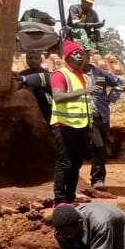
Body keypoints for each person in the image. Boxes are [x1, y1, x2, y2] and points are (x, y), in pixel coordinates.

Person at [49, 39, 98, 206]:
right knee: (65, 163)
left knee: (76, 164)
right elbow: (58, 97)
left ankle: (70, 197)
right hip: (64, 125)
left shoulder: (84, 77)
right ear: (67, 57)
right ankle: (60, 199)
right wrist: (85, 90)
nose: (80, 56)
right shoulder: (60, 74)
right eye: (76, 53)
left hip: (82, 126)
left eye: (82, 54)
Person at [83, 57, 125, 189]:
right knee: (95, 146)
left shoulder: (100, 73)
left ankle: (98, 180)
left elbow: (119, 83)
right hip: (81, 117)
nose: (81, 57)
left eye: (85, 54)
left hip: (101, 116)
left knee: (102, 149)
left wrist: (111, 98)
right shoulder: (72, 75)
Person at [16, 50, 54, 124]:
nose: (33, 60)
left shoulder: (46, 74)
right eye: (30, 58)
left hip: (45, 107)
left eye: (36, 58)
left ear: (41, 60)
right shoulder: (22, 74)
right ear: (26, 60)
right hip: (26, 107)